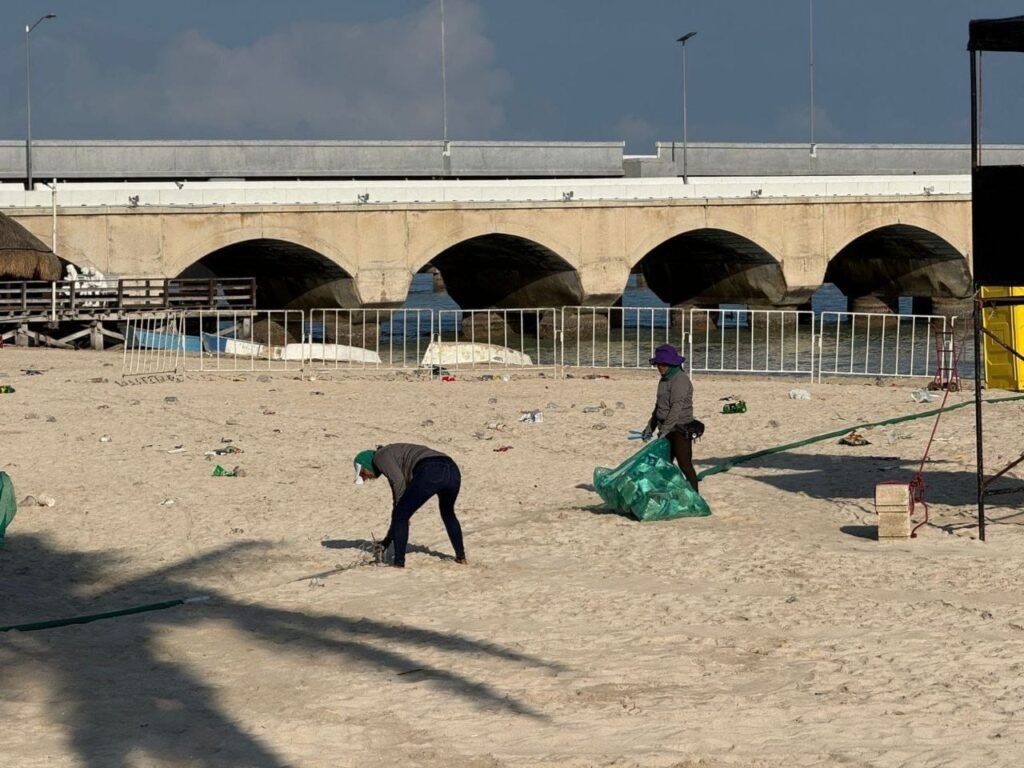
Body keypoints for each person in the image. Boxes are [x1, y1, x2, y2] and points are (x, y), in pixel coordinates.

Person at [353, 443, 466, 569]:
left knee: (401, 514)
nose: (366, 478)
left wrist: (401, 512)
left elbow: (399, 483)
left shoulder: (379, 457)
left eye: (363, 473)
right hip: (452, 469)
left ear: (366, 463)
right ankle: (461, 557)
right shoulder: (393, 455)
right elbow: (400, 491)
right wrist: (387, 540)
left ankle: (398, 563)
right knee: (448, 512)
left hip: (430, 469)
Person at [642, 343, 704, 494]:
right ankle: (662, 494)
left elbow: (676, 409)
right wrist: (650, 427)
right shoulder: (664, 379)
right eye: (658, 364)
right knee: (663, 464)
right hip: (665, 428)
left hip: (680, 429)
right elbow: (659, 406)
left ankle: (695, 495)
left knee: (685, 465)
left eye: (663, 364)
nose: (660, 367)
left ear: (672, 364)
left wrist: (664, 431)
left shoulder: (680, 380)